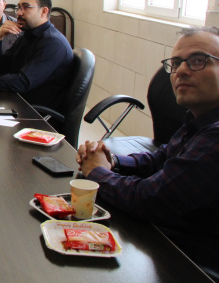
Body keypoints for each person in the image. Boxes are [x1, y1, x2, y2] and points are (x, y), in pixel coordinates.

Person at [76, 26, 219, 277]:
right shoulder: (199, 119)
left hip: (191, 261)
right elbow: (163, 156)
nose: (181, 71)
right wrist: (113, 161)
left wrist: (97, 172)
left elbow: (149, 199)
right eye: (176, 63)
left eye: (198, 61)